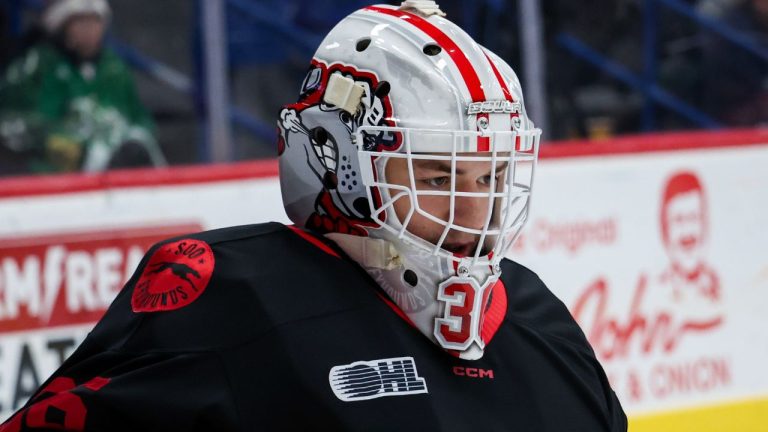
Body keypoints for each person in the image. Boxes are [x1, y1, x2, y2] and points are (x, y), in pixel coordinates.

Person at [0, 2, 626, 430]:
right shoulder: (230, 299)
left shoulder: (538, 319)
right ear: (335, 163)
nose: (473, 215)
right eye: (438, 177)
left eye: (490, 179)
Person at [0, 0, 164, 174]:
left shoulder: (114, 67)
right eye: (81, 22)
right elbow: (20, 124)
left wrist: (132, 139)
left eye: (95, 21)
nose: (89, 30)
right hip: (50, 178)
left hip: (114, 173)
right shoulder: (40, 64)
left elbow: (139, 118)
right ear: (64, 24)